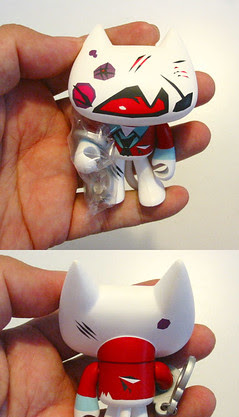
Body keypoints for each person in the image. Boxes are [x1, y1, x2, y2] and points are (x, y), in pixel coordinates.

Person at [0, 256, 215, 417]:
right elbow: (97, 381)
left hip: (133, 398)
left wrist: (166, 384)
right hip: (118, 396)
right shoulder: (108, 363)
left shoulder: (139, 359)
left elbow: (159, 374)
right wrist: (86, 408)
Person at [0, 22, 215, 249]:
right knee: (115, 170)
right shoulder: (101, 121)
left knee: (144, 169)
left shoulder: (156, 122)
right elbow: (93, 138)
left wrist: (165, 157)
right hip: (115, 154)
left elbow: (164, 138)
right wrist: (87, 153)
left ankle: (148, 185)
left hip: (142, 153)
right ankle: (112, 191)